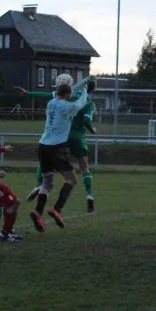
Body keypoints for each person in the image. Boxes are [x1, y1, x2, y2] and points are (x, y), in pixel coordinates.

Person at [18, 74, 98, 213]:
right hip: (69, 138)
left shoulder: (52, 102)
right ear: (68, 92)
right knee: (80, 170)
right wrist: (85, 86)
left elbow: (45, 95)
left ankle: (38, 190)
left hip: (44, 143)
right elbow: (81, 108)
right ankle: (87, 196)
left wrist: (28, 93)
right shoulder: (79, 104)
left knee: (46, 173)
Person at [30, 82, 89, 233]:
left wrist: (76, 87)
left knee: (47, 182)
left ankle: (38, 212)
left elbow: (67, 94)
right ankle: (57, 209)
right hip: (56, 147)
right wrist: (85, 89)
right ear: (68, 95)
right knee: (71, 179)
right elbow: (81, 102)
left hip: (42, 145)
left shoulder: (50, 103)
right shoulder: (68, 107)